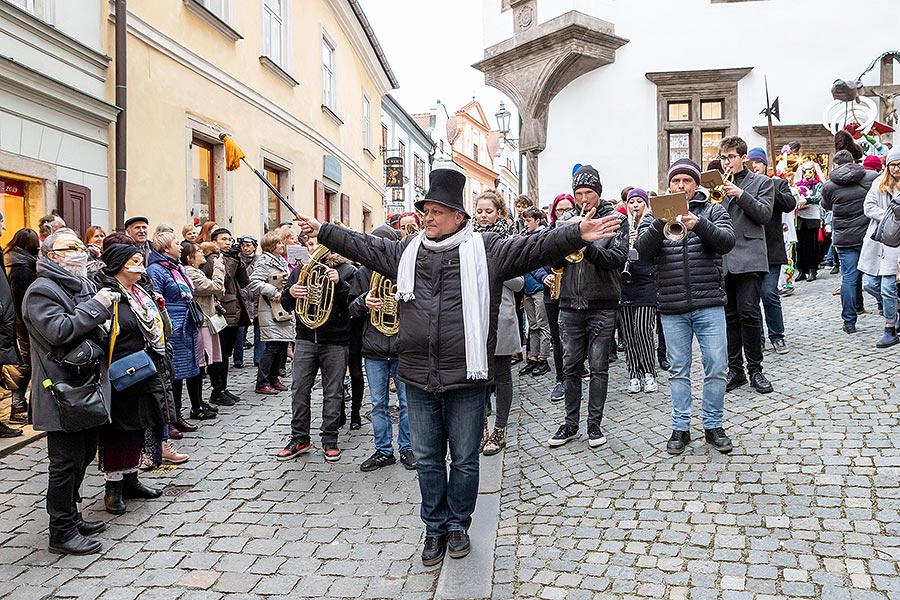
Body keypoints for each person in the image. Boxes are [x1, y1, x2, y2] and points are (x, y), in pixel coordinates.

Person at [297, 166, 622, 566]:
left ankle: (458, 526)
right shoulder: (405, 252)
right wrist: (324, 230)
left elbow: (534, 248)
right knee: (429, 460)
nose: (427, 217)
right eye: (425, 210)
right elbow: (363, 245)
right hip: (416, 376)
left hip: (467, 376)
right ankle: (434, 528)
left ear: (459, 217)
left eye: (437, 211)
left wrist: (575, 233)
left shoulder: (486, 251)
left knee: (466, 461)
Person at [23, 230, 116, 555]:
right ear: (51, 255)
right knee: (64, 463)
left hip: (86, 385)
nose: (77, 251)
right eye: (69, 248)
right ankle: (60, 531)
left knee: (85, 453)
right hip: (60, 390)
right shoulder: (42, 290)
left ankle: (73, 515)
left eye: (79, 246)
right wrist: (96, 308)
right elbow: (58, 330)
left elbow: (91, 324)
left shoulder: (81, 283)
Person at [636, 158, 736, 455]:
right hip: (671, 305)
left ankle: (713, 425)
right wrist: (659, 221)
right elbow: (642, 251)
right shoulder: (652, 216)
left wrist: (700, 224)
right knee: (678, 369)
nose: (681, 186)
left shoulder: (714, 210)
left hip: (709, 303)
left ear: (696, 185)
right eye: (676, 181)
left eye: (687, 181)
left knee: (717, 367)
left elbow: (727, 242)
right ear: (670, 185)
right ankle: (680, 427)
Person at [548, 164, 628, 449]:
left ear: (598, 192)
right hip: (569, 303)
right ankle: (570, 424)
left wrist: (588, 248)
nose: (584, 198)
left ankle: (594, 425)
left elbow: (617, 258)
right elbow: (555, 262)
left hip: (602, 303)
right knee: (570, 366)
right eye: (579, 193)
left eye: (589, 192)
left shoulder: (615, 219)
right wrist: (561, 247)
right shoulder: (567, 221)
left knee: (598, 367)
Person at [93, 244, 169, 514]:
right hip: (119, 371)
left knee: (139, 425)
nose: (140, 265)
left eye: (141, 260)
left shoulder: (139, 292)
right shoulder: (108, 294)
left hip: (144, 367)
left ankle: (132, 478)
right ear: (120, 264)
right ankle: (113, 487)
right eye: (135, 261)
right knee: (118, 430)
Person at [277, 234, 356, 462]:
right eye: (310, 244)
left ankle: (329, 439)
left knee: (333, 392)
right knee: (299, 389)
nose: (314, 248)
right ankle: (299, 437)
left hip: (336, 340)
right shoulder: (301, 271)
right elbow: (286, 303)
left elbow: (353, 302)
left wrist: (340, 283)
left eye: (318, 244)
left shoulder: (346, 269)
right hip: (305, 338)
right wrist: (290, 294)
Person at [348, 226, 417, 471]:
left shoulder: (408, 271)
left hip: (401, 347)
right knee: (378, 403)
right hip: (374, 347)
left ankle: (407, 448)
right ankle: (383, 450)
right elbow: (351, 310)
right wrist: (363, 301)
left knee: (407, 403)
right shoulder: (363, 273)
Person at [716, 137, 775, 395]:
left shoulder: (762, 183)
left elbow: (764, 215)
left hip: (750, 256)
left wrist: (739, 194)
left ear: (743, 158)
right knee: (729, 317)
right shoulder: (715, 185)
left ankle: (756, 369)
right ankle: (735, 370)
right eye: (722, 157)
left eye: (730, 157)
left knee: (749, 313)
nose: (726, 161)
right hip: (724, 258)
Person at [471, 189, 525, 456]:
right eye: (479, 211)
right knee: (477, 375)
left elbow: (519, 283)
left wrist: (493, 268)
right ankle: (480, 428)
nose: (483, 216)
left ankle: (500, 429)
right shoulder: (467, 239)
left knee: (502, 374)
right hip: (472, 315)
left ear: (499, 213)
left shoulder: (509, 241)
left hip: (501, 314)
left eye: (488, 211)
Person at [146, 232, 201, 442]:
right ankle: (168, 420)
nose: (180, 246)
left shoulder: (176, 267)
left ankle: (177, 415)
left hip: (186, 326)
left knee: (182, 373)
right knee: (170, 374)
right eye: (176, 243)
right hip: (173, 327)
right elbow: (157, 299)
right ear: (165, 248)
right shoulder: (156, 270)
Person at [823, 149, 880, 334]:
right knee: (877, 274)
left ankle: (849, 321)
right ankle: (885, 307)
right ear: (854, 161)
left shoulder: (829, 185)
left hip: (845, 237)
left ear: (835, 164)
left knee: (848, 278)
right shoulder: (871, 177)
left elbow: (826, 205)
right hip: (868, 235)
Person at [746, 148, 797, 354]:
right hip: (749, 249)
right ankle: (756, 337)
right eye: (752, 163)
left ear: (765, 165)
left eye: (758, 162)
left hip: (771, 248)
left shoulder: (777, 183)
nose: (755, 166)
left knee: (769, 293)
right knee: (751, 298)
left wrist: (768, 186)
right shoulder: (743, 186)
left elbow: (789, 204)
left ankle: (777, 336)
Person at [202, 228, 250, 406]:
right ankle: (217, 390)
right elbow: (226, 278)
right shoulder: (213, 259)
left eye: (230, 239)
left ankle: (223, 387)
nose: (228, 242)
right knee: (218, 353)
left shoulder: (231, 258)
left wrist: (239, 260)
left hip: (234, 309)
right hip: (221, 311)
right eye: (224, 239)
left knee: (226, 352)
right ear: (214, 241)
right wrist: (232, 260)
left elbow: (244, 281)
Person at [618, 188, 659, 393]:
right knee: (628, 334)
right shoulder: (622, 225)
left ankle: (649, 372)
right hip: (625, 284)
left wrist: (639, 239)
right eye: (631, 202)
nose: (635, 205)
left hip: (645, 282)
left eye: (639, 202)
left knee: (643, 330)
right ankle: (634, 373)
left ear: (646, 204)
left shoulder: (652, 224)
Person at [859, 148, 900, 347]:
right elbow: (868, 206)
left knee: (888, 287)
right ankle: (896, 308)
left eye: (899, 164)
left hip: (896, 246)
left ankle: (889, 327)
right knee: (869, 284)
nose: (896, 168)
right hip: (879, 240)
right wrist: (888, 216)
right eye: (893, 165)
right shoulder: (879, 183)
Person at [182, 241, 224, 420]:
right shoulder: (190, 272)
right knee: (199, 364)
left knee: (202, 363)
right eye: (198, 251)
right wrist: (219, 268)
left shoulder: (196, 271)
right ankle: (195, 405)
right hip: (200, 323)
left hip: (206, 320)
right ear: (190, 258)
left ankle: (198, 402)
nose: (202, 254)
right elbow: (215, 287)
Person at [247, 231, 293, 394]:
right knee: (272, 346)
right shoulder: (264, 261)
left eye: (282, 242)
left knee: (281, 346)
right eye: (279, 243)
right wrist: (273, 290)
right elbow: (253, 282)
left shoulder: (281, 260)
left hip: (281, 308)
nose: (282, 245)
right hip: (270, 308)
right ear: (271, 246)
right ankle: (262, 382)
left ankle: (274, 379)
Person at [4, 228, 39, 429]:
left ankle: (19, 406)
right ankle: (18, 408)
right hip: (22, 323)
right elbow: (21, 300)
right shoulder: (22, 268)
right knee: (26, 364)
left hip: (16, 322)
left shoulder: (13, 261)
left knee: (24, 363)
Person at [518, 207, 552, 377]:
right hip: (528, 288)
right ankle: (533, 357)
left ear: (537, 221)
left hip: (539, 287)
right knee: (533, 326)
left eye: (528, 220)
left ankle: (543, 359)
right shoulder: (526, 237)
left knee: (542, 325)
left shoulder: (543, 236)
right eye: (524, 220)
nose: (525, 224)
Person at [234, 235, 260, 369]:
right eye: (243, 245)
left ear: (254, 247)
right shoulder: (236, 260)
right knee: (240, 331)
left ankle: (258, 358)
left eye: (249, 245)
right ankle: (238, 359)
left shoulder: (260, 260)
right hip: (242, 299)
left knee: (259, 328)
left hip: (257, 298)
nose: (246, 248)